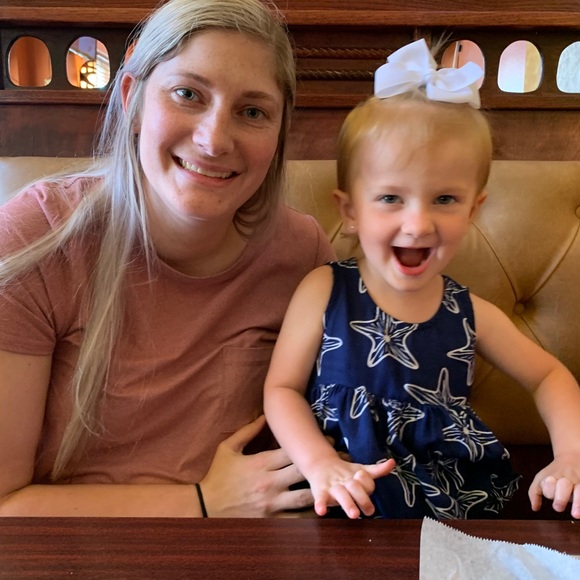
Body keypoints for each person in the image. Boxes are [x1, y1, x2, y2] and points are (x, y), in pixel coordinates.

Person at [0, 0, 336, 517]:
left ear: (279, 132)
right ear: (132, 100)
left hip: (252, 545)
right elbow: (5, 504)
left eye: (252, 112)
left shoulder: (304, 254)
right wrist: (203, 502)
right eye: (187, 94)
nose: (214, 140)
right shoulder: (37, 236)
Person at [264, 38, 580, 520]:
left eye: (445, 199)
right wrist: (319, 462)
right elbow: (281, 389)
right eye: (391, 198)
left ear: (473, 210)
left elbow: (549, 376)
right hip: (339, 498)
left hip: (448, 511)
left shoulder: (472, 314)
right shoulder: (325, 291)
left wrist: (572, 454)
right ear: (350, 211)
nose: (417, 224)